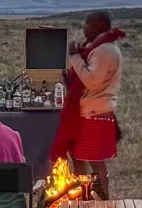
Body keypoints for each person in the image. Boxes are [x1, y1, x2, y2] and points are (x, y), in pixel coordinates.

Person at [49, 11, 125, 197]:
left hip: (94, 112)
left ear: (99, 25)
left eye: (88, 24)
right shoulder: (100, 47)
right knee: (79, 157)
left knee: (94, 160)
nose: (84, 28)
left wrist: (75, 57)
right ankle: (84, 201)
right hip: (90, 110)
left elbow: (91, 81)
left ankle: (100, 206)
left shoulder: (104, 50)